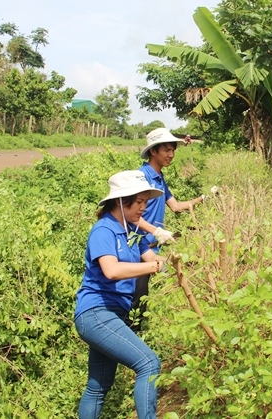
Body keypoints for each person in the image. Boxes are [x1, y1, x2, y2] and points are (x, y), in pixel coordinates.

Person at [74, 170, 165, 419]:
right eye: (138, 202)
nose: (143, 208)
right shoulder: (103, 230)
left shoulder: (132, 232)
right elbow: (111, 270)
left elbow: (153, 260)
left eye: (146, 202)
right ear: (120, 202)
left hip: (112, 315)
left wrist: (176, 262)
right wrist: (153, 267)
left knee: (98, 386)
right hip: (95, 314)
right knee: (148, 363)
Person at [130, 127, 205, 330]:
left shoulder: (160, 178)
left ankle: (138, 333)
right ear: (153, 151)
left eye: (173, 149)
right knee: (137, 297)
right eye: (166, 150)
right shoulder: (141, 177)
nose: (171, 154)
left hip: (152, 245)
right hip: (137, 246)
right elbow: (130, 217)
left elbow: (176, 206)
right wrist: (156, 231)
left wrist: (203, 199)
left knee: (142, 296)